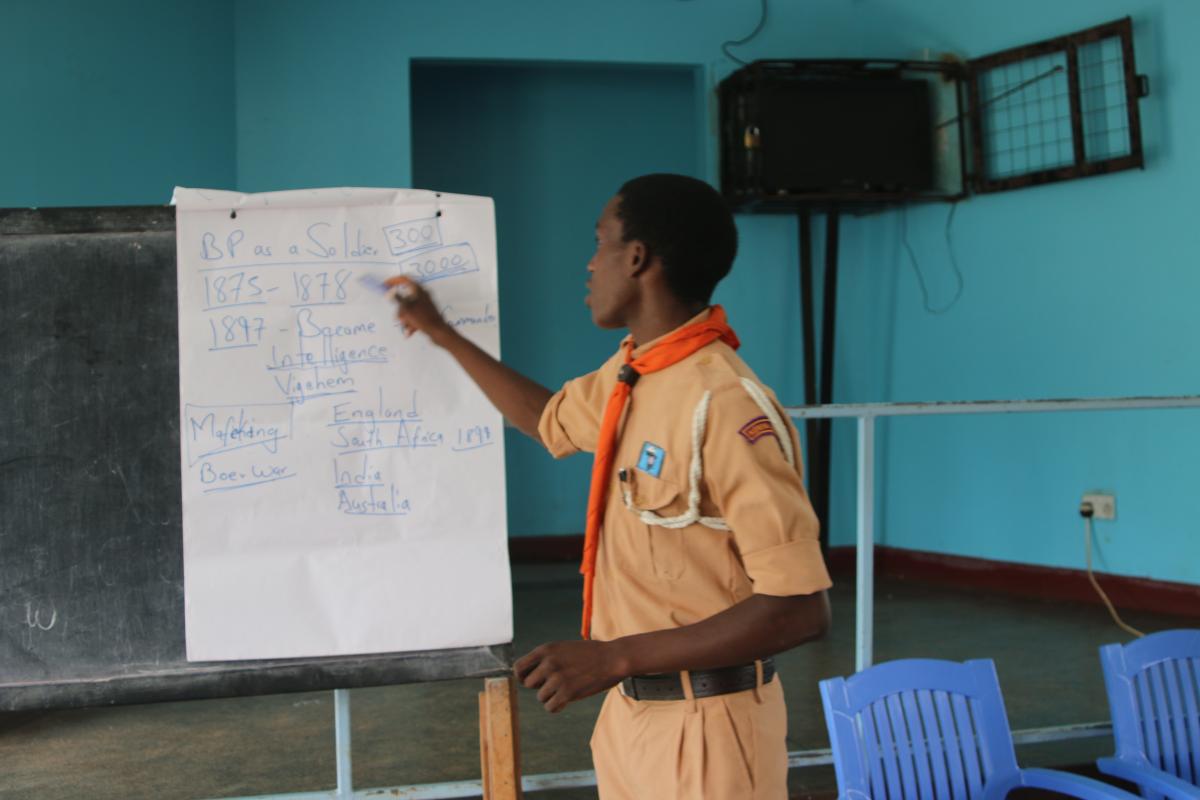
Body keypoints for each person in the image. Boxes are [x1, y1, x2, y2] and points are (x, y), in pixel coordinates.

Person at [388, 174, 831, 799]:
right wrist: (442, 335)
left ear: (637, 257)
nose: (589, 264)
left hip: (709, 728)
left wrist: (615, 656)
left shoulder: (724, 404)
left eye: (599, 242)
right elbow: (548, 421)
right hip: (632, 719)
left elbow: (800, 608)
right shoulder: (637, 376)